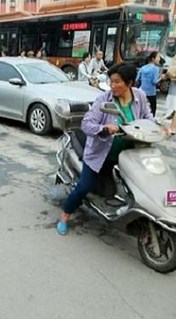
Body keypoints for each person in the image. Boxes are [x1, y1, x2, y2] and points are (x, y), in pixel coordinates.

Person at [56, 63, 172, 235]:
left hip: (131, 154)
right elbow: (87, 124)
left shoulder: (139, 96)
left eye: (117, 82)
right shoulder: (104, 99)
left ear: (130, 82)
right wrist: (104, 128)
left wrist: (161, 128)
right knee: (84, 186)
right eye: (111, 81)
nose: (113, 86)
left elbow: (147, 117)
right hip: (101, 154)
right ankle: (65, 215)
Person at [136, 51, 162, 117]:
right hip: (151, 92)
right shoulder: (156, 69)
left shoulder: (143, 68)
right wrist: (161, 78)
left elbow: (137, 79)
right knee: (153, 107)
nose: (159, 59)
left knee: (140, 106)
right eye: (158, 57)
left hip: (141, 90)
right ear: (153, 59)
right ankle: (151, 121)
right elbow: (154, 81)